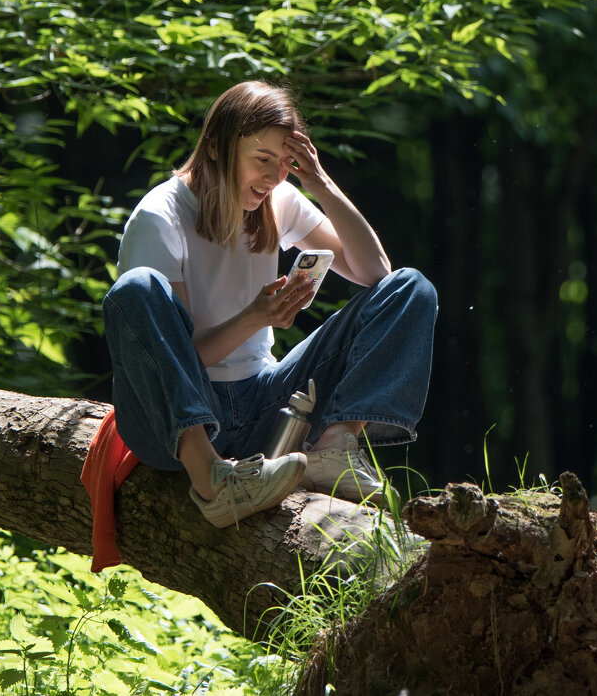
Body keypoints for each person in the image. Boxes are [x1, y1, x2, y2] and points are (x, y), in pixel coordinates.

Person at [102, 80, 437, 528]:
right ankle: (212, 481)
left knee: (410, 288)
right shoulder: (159, 217)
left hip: (264, 402)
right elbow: (182, 361)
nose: (276, 176)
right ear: (218, 147)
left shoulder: (279, 200)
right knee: (136, 288)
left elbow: (376, 272)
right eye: (263, 160)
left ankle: (334, 450)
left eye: (286, 162)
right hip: (178, 423)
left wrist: (320, 182)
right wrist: (255, 318)